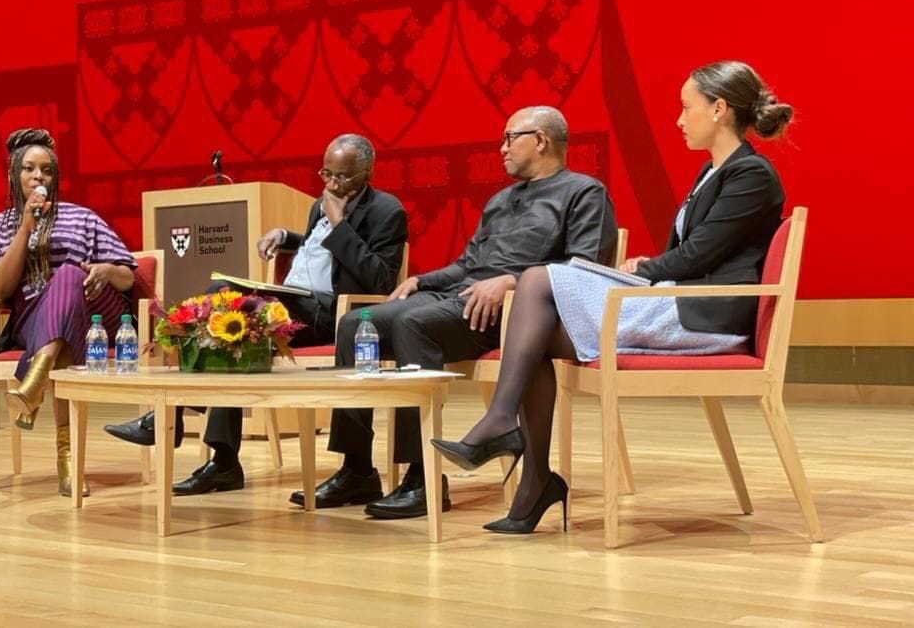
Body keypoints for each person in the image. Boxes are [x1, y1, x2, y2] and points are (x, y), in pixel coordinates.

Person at [433, 61, 795, 534]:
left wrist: (645, 268)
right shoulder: (715, 172)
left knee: (539, 282)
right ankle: (534, 479)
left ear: (720, 109)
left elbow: (697, 255)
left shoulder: (751, 174)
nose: (679, 120)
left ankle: (506, 430)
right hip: (679, 300)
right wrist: (651, 267)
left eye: (687, 108)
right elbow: (692, 253)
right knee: (535, 324)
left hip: (708, 318)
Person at [292, 106, 619, 519]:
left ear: (540, 140)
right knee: (358, 322)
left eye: (509, 138)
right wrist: (422, 281)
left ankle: (421, 477)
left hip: (518, 314)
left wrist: (512, 282)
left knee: (414, 324)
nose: (501, 149)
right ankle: (357, 468)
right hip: (465, 297)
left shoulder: (584, 192)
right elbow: (468, 263)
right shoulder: (501, 200)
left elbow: (583, 267)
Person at [103, 134, 408, 496]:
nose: (330, 184)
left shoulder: (387, 211)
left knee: (231, 304)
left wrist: (340, 224)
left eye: (341, 177)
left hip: (332, 312)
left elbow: (380, 277)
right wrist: (287, 235)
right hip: (292, 303)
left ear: (365, 174)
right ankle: (221, 460)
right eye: (325, 173)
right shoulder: (318, 207)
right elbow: (317, 246)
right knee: (226, 318)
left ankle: (178, 421)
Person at [0, 129, 137, 497]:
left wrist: (106, 271)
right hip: (33, 323)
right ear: (15, 175)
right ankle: (67, 460)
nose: (38, 177)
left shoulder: (84, 218)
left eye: (46, 170)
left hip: (98, 317)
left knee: (67, 274)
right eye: (29, 169)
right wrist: (26, 227)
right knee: (58, 336)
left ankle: (33, 383)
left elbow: (128, 276)